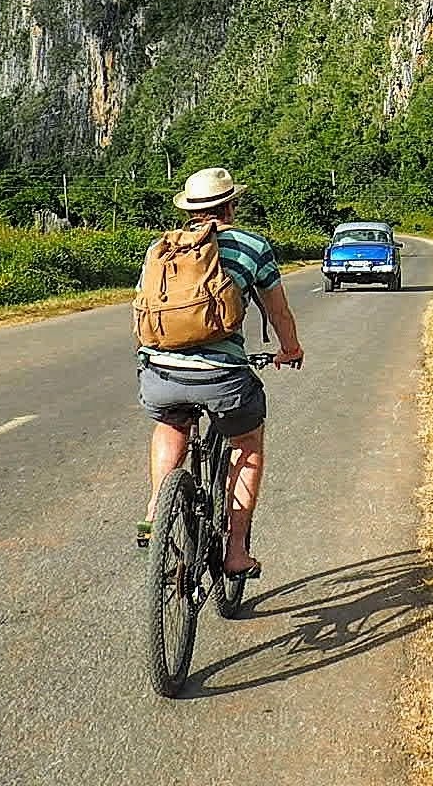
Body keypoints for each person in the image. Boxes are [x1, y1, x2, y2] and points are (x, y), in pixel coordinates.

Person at [136, 166, 303, 574]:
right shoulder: (252, 246)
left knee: (171, 424)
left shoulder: (161, 248)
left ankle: (156, 510)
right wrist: (290, 349)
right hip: (222, 376)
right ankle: (236, 552)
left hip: (161, 371)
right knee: (247, 442)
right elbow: (278, 312)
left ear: (189, 209)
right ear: (231, 206)